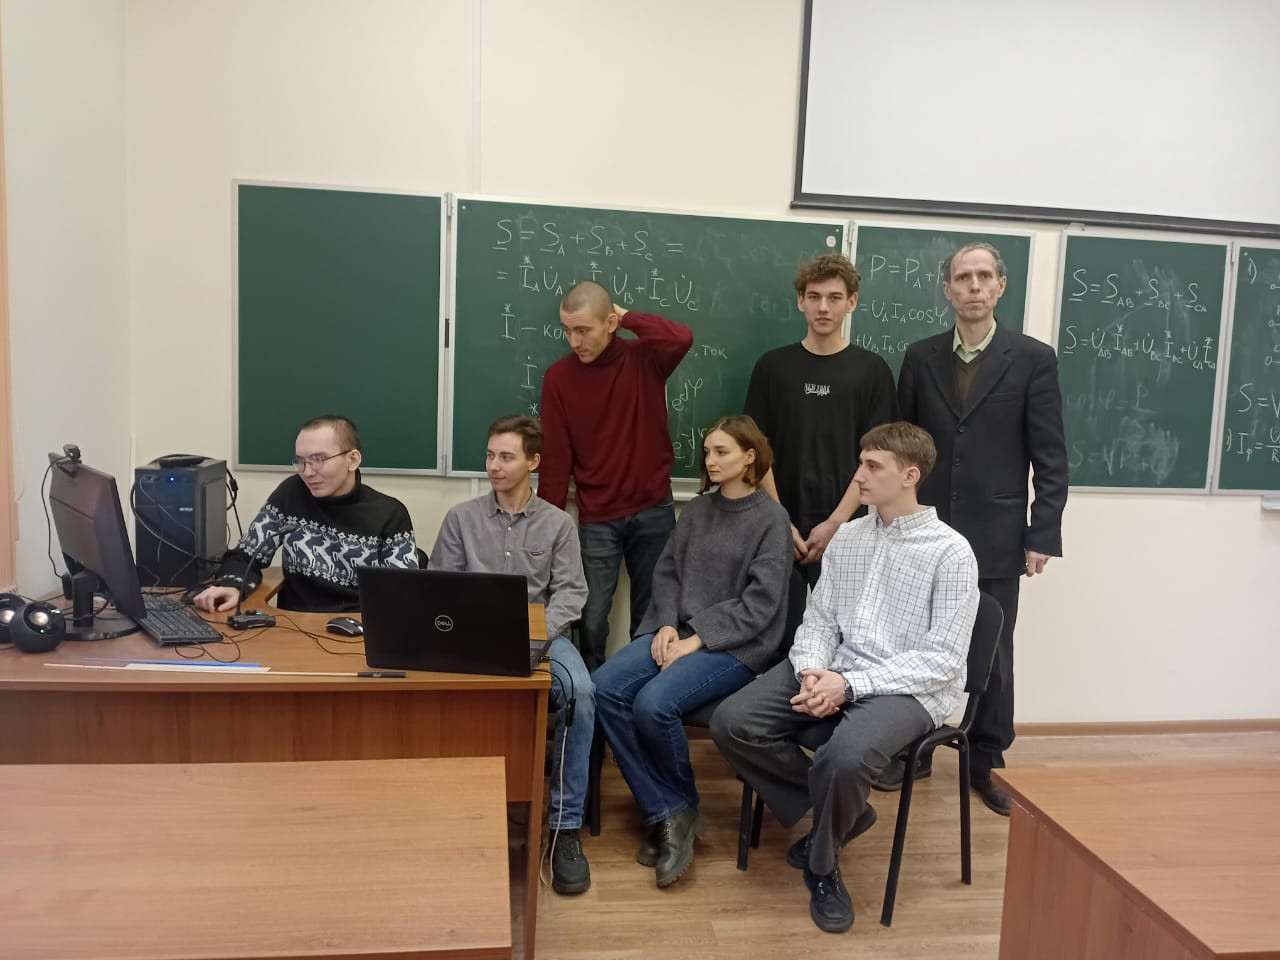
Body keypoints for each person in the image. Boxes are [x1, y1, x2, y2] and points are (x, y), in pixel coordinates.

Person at [710, 421, 979, 934]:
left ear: (910, 476)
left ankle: (823, 864)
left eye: (873, 466)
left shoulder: (950, 552)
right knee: (733, 721)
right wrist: (814, 670)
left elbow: (943, 660)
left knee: (845, 758)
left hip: (908, 688)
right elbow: (819, 619)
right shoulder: (850, 538)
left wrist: (850, 686)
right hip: (835, 666)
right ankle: (846, 814)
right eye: (861, 463)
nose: (858, 476)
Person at [895, 242, 1067, 816]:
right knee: (915, 640)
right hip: (924, 531)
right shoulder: (920, 357)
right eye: (962, 277)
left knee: (992, 650)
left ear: (1000, 286)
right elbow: (902, 447)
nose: (973, 286)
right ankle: (914, 745)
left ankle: (986, 760)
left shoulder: (1033, 359)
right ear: (947, 289)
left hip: (996, 532)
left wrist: (1041, 533)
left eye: (983, 276)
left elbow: (1050, 456)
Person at [592, 415, 791, 888]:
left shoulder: (772, 520)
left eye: (722, 452)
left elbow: (761, 605)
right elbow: (667, 574)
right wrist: (664, 624)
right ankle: (671, 808)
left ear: (749, 456)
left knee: (653, 704)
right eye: (707, 452)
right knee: (603, 688)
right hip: (677, 630)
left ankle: (671, 812)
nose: (710, 461)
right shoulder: (698, 510)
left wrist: (696, 638)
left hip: (737, 645)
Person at [428, 415, 595, 896]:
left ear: (533, 462)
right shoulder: (461, 518)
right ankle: (454, 808)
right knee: (431, 685)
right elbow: (440, 586)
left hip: (542, 636)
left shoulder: (558, 523)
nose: (494, 466)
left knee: (582, 693)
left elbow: (570, 593)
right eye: (490, 456)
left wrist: (534, 636)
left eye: (506, 457)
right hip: (471, 638)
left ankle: (564, 827)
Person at [744, 253, 897, 651]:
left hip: (848, 528)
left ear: (852, 302)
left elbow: (877, 457)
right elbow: (757, 450)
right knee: (775, 640)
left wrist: (835, 523)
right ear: (801, 301)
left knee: (845, 641)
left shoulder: (872, 371)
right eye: (814, 297)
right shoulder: (773, 367)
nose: (823, 307)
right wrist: (780, 520)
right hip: (778, 524)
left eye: (834, 297)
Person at [539, 280, 693, 670]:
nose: (574, 341)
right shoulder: (558, 378)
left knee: (652, 618)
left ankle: (640, 694)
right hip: (597, 516)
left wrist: (627, 316)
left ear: (610, 323)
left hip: (653, 508)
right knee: (590, 619)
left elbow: (681, 338)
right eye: (567, 330)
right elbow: (555, 460)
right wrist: (546, 526)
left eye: (583, 329)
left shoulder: (645, 359)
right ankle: (587, 698)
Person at [194, 415, 417, 613]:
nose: (307, 472)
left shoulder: (389, 514)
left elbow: (402, 593)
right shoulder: (291, 494)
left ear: (352, 460)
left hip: (358, 626)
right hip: (295, 623)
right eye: (300, 461)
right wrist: (233, 586)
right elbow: (246, 555)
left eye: (319, 459)